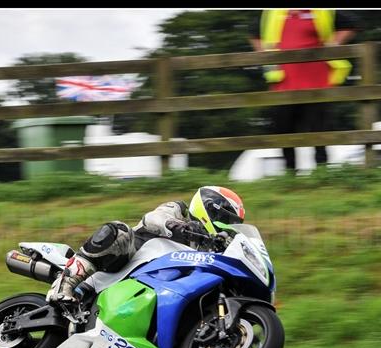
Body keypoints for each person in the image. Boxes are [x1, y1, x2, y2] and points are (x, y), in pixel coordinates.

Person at [46, 186, 246, 304]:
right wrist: (175, 226)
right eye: (225, 219)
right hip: (121, 264)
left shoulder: (210, 250)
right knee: (119, 230)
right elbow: (153, 218)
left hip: (149, 289)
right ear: (209, 209)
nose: (227, 226)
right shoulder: (177, 211)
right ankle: (65, 284)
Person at [249, 9, 357, 172]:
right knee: (283, 128)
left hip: (317, 80)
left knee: (319, 128)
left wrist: (333, 46)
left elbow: (351, 24)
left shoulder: (322, 11)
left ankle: (322, 171)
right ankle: (290, 171)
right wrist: (265, 55)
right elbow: (253, 33)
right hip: (283, 81)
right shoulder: (271, 12)